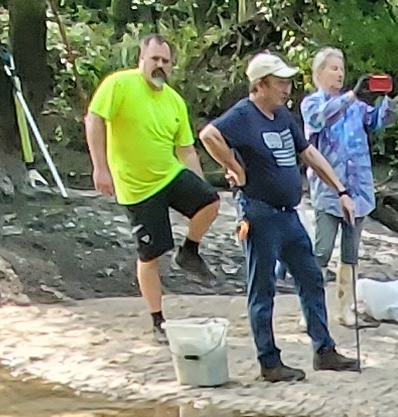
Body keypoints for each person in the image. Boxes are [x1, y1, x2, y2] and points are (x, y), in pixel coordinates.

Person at [199, 52, 364, 381]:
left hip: (289, 214)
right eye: (280, 83)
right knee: (262, 288)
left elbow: (309, 153)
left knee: (311, 278)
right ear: (260, 85)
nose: (287, 89)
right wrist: (233, 167)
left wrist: (340, 190)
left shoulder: (283, 116)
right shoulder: (244, 115)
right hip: (259, 212)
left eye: (289, 82)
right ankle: (269, 361)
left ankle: (324, 350)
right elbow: (209, 135)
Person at [85, 34, 223, 340]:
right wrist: (100, 167)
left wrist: (198, 184)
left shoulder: (174, 100)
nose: (159, 66)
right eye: (154, 59)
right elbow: (94, 119)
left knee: (211, 202)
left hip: (169, 174)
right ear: (141, 60)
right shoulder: (118, 85)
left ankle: (189, 251)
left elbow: (186, 149)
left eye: (165, 61)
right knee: (150, 255)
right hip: (136, 187)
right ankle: (157, 320)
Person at [301, 48, 385, 322]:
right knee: (322, 250)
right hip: (328, 191)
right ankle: (310, 309)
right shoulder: (311, 104)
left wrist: (388, 101)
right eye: (333, 68)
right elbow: (318, 119)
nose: (339, 73)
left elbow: (377, 122)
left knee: (351, 253)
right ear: (319, 73)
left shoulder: (357, 107)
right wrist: (351, 96)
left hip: (359, 189)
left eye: (341, 68)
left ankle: (345, 308)